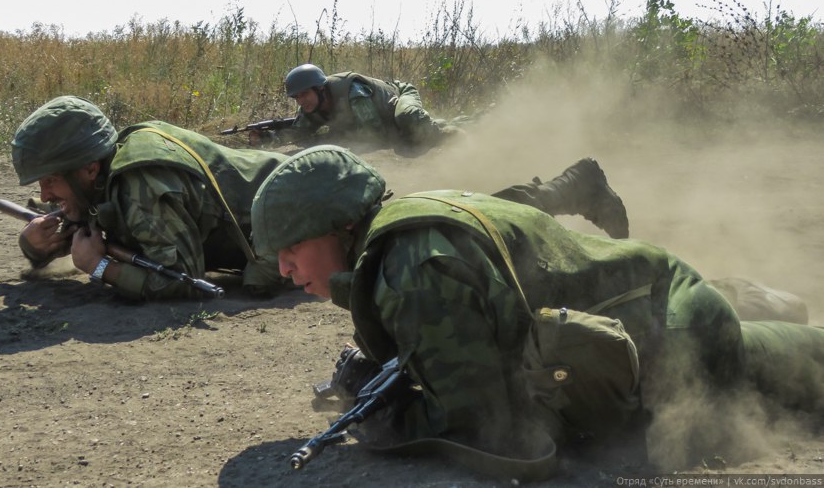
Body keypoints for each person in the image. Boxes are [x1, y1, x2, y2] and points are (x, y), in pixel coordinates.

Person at [250, 145, 823, 477]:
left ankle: (759, 312)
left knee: (712, 421)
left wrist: (379, 416)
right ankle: (756, 301)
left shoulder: (414, 271)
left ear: (341, 226)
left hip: (676, 334)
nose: (283, 268)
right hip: (649, 300)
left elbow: (487, 430)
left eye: (293, 247)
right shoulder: (403, 228)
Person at [10, 95, 288, 300]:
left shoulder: (142, 189)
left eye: (50, 181)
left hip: (298, 205)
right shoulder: (96, 178)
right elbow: (79, 216)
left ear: (90, 169)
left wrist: (98, 266)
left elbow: (183, 280)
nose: (45, 194)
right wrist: (35, 245)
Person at [282, 63, 462, 148]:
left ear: (320, 88)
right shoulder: (311, 104)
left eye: (304, 94)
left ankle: (446, 133)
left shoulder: (353, 93)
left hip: (400, 94)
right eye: (296, 97)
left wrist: (330, 137)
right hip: (385, 119)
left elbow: (374, 135)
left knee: (408, 119)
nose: (301, 100)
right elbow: (297, 133)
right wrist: (266, 138)